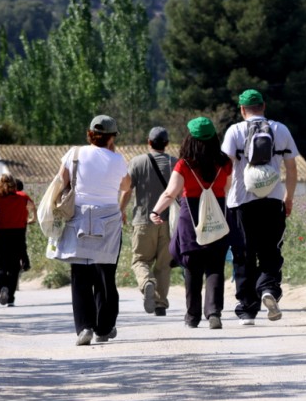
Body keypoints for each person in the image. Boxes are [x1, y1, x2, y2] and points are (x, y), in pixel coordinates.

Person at [47, 115, 130, 346]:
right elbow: (126, 186)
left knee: (80, 276)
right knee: (105, 276)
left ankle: (84, 327)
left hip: (79, 217)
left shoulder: (74, 153)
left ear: (90, 134)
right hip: (109, 220)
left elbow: (62, 181)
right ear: (112, 137)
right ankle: (103, 328)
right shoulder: (117, 159)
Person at [220, 89, 298, 325]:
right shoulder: (280, 129)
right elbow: (292, 168)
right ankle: (268, 290)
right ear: (264, 106)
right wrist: (288, 197)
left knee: (244, 254)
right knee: (270, 250)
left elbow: (225, 169)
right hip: (273, 199)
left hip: (241, 202)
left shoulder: (235, 130)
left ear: (242, 109)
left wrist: (224, 198)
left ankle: (247, 309)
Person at [149, 117, 232, 329]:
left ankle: (192, 316)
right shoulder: (225, 163)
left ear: (190, 139)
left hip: (191, 218)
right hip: (217, 217)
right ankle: (214, 313)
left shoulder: (184, 164)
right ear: (214, 137)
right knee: (215, 267)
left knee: (193, 269)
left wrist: (156, 211)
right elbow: (227, 189)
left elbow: (170, 193)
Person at [119, 126, 177, 316]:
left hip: (143, 220)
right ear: (167, 144)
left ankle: (146, 282)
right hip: (168, 222)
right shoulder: (174, 164)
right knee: (163, 265)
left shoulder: (137, 162)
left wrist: (121, 210)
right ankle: (160, 304)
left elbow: (127, 190)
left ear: (148, 141)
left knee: (140, 260)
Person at [0, 174, 33, 306]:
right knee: (14, 265)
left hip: (2, 232)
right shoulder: (22, 197)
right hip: (18, 232)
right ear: (14, 184)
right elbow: (33, 208)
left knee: (1, 264)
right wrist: (31, 219)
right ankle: (10, 296)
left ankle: (2, 288)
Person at [14, 179, 36, 272]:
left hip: (8, 225)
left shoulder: (8, 195)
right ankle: (25, 263)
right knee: (21, 243)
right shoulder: (24, 195)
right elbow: (33, 207)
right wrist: (33, 218)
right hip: (22, 223)